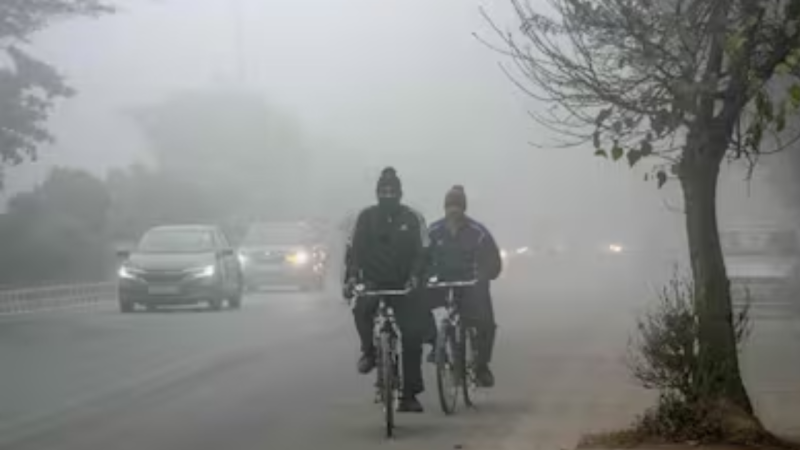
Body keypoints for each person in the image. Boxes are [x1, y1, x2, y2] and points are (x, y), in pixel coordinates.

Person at [343, 167, 432, 413]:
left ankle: (410, 394)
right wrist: (351, 278)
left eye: (392, 191)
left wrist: (415, 277)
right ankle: (369, 352)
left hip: (405, 285)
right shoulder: (366, 218)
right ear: (377, 193)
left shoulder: (412, 218)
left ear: (400, 193)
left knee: (412, 336)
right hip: (373, 282)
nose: (388, 195)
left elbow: (423, 251)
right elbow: (354, 251)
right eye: (384, 191)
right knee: (361, 309)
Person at [427, 185, 502, 388]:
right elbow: (422, 258)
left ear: (463, 208)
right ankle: (436, 346)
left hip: (472, 286)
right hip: (442, 284)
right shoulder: (433, 232)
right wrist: (425, 276)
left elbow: (494, 261)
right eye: (450, 206)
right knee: (417, 307)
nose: (453, 210)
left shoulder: (479, 233)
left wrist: (484, 275)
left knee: (485, 323)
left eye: (457, 206)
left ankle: (481, 366)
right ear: (444, 208)